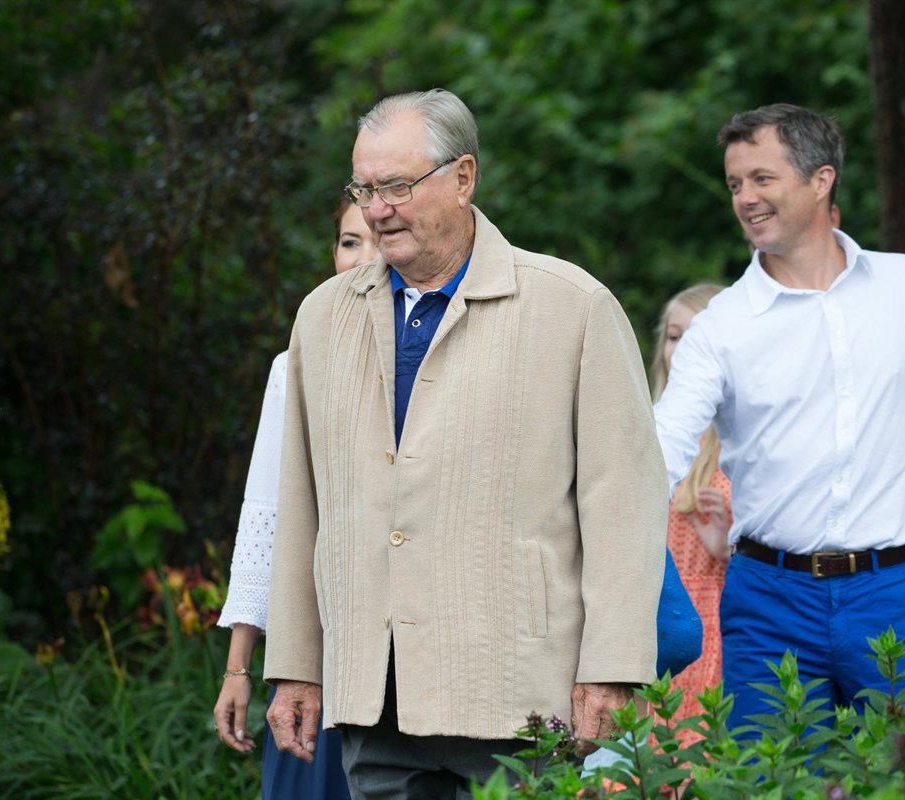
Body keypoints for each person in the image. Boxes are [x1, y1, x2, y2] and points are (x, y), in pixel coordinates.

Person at [262, 88, 669, 799]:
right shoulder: (322, 318)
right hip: (378, 696)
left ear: (463, 176)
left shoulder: (573, 307)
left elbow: (623, 504)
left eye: (396, 186)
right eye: (363, 189)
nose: (377, 209)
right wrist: (296, 663)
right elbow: (301, 503)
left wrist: (611, 668)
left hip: (518, 690)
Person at [654, 103, 905, 729]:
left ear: (821, 180)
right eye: (735, 183)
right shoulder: (722, 326)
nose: (745, 198)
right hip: (768, 599)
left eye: (762, 178)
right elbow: (661, 450)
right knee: (768, 776)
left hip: (892, 592)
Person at [212, 196, 377, 799]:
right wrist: (239, 667)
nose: (364, 258)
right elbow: (267, 515)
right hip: (319, 643)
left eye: (379, 240)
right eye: (350, 242)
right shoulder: (296, 365)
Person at [650, 284, 730, 744]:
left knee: (700, 748)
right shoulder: (649, 426)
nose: (681, 351)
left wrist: (726, 546)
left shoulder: (739, 438)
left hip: (717, 617)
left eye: (695, 337)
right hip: (655, 609)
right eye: (674, 336)